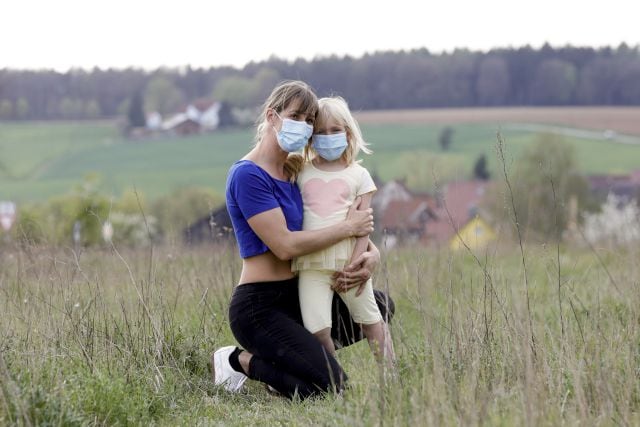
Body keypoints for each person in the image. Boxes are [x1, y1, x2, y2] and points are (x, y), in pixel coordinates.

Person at [212, 80, 393, 400]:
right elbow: (285, 245)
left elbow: (334, 220)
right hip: (260, 307)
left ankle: (295, 360)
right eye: (296, 116)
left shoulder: (295, 170)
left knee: (380, 305)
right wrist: (349, 229)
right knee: (330, 388)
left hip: (300, 293)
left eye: (310, 120)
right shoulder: (248, 175)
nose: (305, 126)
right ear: (272, 116)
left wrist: (372, 254)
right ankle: (237, 361)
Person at [293, 96, 395, 364]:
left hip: (349, 264)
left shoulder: (359, 176)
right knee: (317, 329)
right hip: (310, 264)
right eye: (320, 132)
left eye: (335, 131)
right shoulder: (300, 172)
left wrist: (354, 266)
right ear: (311, 137)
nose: (328, 137)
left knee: (370, 320)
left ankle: (392, 376)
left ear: (348, 133)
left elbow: (363, 228)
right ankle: (333, 380)